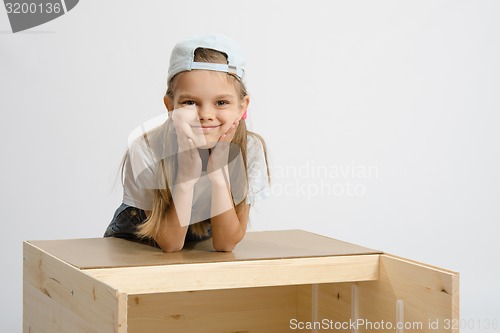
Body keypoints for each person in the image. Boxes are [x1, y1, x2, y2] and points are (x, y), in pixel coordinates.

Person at [104, 34, 271, 252]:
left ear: (242, 106)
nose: (206, 115)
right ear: (171, 105)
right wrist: (186, 175)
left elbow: (226, 243)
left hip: (195, 247)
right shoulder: (146, 149)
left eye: (221, 102)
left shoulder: (249, 149)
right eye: (190, 102)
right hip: (137, 244)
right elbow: (170, 244)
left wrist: (218, 174)